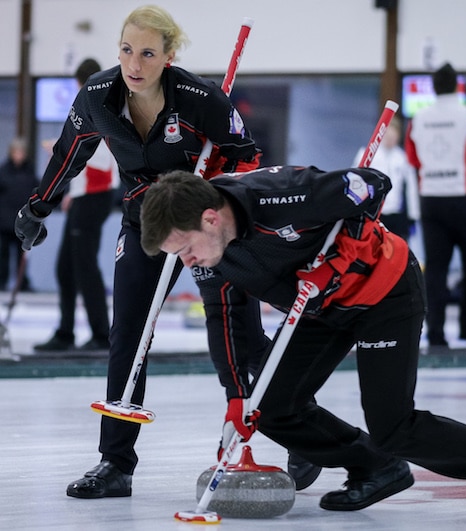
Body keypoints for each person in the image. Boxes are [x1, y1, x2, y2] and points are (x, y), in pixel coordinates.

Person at [139, 166, 466, 519]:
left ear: (210, 218)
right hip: (318, 308)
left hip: (385, 292)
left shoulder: (282, 195)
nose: (187, 261)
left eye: (186, 248)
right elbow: (225, 319)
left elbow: (373, 185)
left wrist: (337, 262)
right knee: (267, 408)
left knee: (394, 425)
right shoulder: (213, 258)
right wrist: (236, 397)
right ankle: (376, 467)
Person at [13, 4, 276, 499]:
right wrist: (37, 208)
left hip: (205, 222)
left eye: (148, 53)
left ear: (169, 56)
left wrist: (222, 201)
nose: (135, 63)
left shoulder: (202, 100)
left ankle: (298, 435)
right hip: (147, 221)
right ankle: (115, 463)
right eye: (127, 50)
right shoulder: (98, 96)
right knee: (128, 332)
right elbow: (70, 151)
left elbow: (251, 160)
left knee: (242, 334)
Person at [404, 62, 466, 347]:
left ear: (434, 87)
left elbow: (413, 159)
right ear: (457, 85)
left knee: (437, 269)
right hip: (463, 198)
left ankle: (436, 332)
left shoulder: (418, 119)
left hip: (430, 199)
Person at [34, 59, 119, 352]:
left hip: (95, 196)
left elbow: (102, 157)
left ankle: (99, 333)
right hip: (87, 196)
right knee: (66, 268)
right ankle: (66, 331)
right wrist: (74, 192)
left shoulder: (99, 105)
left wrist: (59, 148)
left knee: (83, 266)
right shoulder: (97, 104)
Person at [352, 117, 420, 242]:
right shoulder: (366, 154)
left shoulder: (403, 158)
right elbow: (355, 182)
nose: (390, 140)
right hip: (374, 213)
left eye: (393, 137)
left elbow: (411, 187)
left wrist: (413, 215)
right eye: (388, 136)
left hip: (396, 214)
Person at [0, 137, 38, 292]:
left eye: (22, 152)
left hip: (22, 221)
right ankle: (1, 281)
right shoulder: (3, 172)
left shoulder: (29, 172)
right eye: (16, 151)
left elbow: (35, 192)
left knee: (21, 254)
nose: (19, 155)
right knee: (3, 254)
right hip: (4, 220)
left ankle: (21, 283)